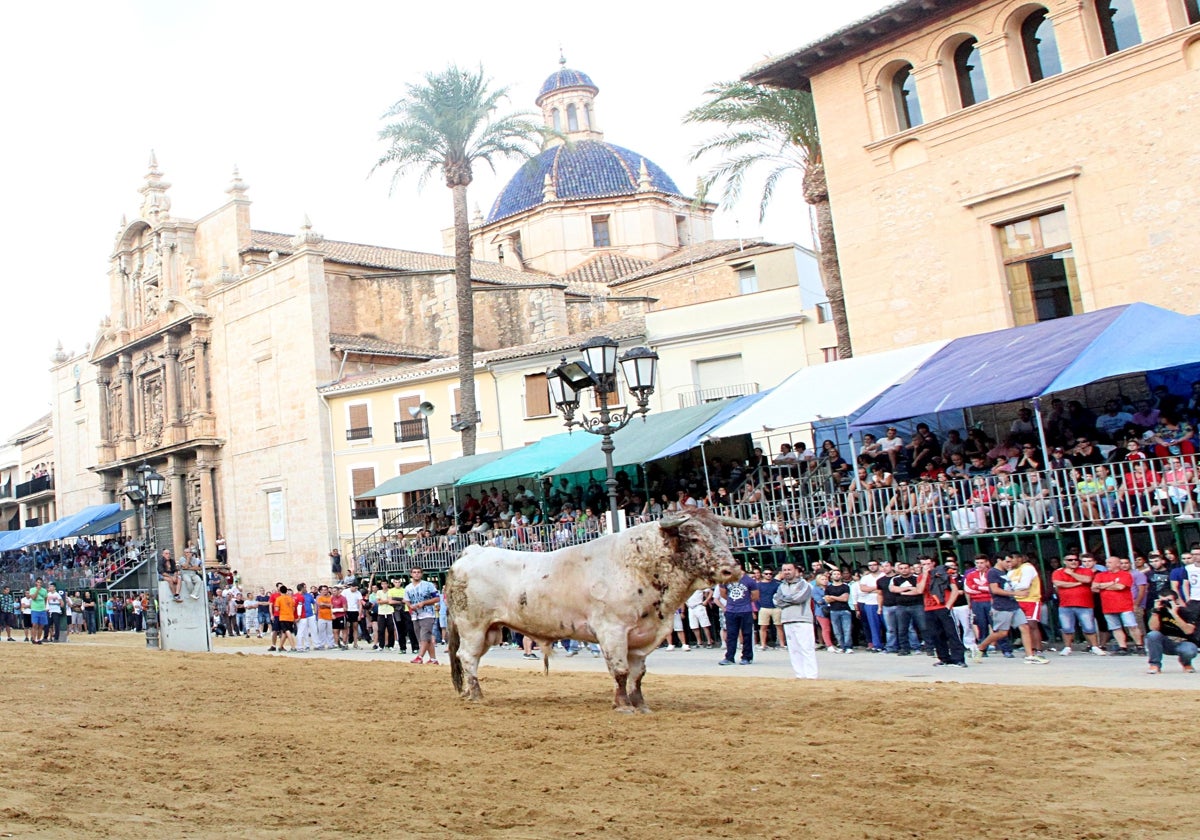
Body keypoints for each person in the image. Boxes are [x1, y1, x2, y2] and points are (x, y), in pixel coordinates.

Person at [976, 555, 1048, 664]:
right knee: (1002, 633)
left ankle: (1030, 655)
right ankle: (981, 647)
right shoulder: (993, 572)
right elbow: (995, 590)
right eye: (1007, 561)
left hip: (1013, 604)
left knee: (1025, 627)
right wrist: (1016, 593)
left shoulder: (1005, 573)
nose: (1009, 564)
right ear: (999, 560)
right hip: (1002, 606)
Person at [915, 556, 967, 667]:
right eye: (923, 564)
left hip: (943, 607)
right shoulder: (920, 577)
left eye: (928, 563)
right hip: (929, 608)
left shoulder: (943, 574)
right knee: (935, 634)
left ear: (933, 564)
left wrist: (949, 605)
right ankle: (943, 658)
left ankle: (958, 658)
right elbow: (919, 590)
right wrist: (925, 575)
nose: (926, 566)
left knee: (952, 633)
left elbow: (955, 590)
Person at [1051, 555, 1105, 655]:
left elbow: (1087, 580)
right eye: (1070, 560)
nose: (1073, 561)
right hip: (1065, 604)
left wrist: (1071, 573)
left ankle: (1094, 647)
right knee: (1066, 628)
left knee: (1089, 627)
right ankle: (1067, 647)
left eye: (1076, 560)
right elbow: (1058, 583)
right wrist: (1078, 583)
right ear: (1064, 561)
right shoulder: (1058, 572)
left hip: (1085, 604)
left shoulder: (1086, 570)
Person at [774, 562, 817, 679]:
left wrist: (784, 599)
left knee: (806, 648)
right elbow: (776, 601)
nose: (787, 572)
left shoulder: (804, 585)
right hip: (787, 619)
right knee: (793, 650)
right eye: (784, 570)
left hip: (802, 620)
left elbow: (798, 598)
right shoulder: (781, 586)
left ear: (795, 571)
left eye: (789, 569)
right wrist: (787, 599)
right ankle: (800, 674)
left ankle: (811, 675)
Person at [1093, 557, 1143, 655]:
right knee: (1115, 628)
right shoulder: (1100, 575)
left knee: (1132, 626)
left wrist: (1102, 586)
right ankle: (1122, 647)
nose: (1107, 564)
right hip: (1108, 606)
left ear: (1117, 564)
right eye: (1106, 562)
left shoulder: (1125, 574)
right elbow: (1094, 588)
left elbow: (1120, 587)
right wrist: (1111, 583)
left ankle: (1139, 646)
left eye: (1110, 562)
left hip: (1124, 606)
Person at [1145, 591, 1199, 674]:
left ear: (1176, 601)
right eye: (1162, 601)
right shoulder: (1157, 612)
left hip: (1183, 642)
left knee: (1190, 650)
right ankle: (1155, 665)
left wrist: (1174, 614)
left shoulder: (1186, 612)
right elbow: (1153, 628)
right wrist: (1155, 613)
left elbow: (1188, 631)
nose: (1165, 604)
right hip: (1165, 642)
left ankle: (1186, 663)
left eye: (1169, 601)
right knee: (1152, 635)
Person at [718, 564, 758, 665]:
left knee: (747, 634)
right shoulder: (726, 580)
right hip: (731, 611)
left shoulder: (749, 581)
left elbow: (755, 596)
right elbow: (723, 593)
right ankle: (729, 657)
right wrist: (733, 602)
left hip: (745, 611)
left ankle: (747, 657)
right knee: (731, 635)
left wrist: (744, 602)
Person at [889, 561, 926, 656]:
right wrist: (909, 589)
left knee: (924, 627)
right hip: (901, 606)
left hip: (917, 605)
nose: (903, 570)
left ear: (910, 569)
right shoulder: (895, 579)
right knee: (902, 629)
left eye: (905, 568)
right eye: (901, 568)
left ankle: (930, 647)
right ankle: (904, 649)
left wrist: (901, 591)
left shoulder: (917, 578)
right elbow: (892, 589)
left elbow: (919, 591)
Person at [404, 568, 440, 665]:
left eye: (418, 572)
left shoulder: (429, 585)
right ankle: (433, 659)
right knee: (423, 637)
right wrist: (410, 606)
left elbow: (436, 598)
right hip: (415, 614)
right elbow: (406, 600)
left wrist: (424, 603)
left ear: (421, 574)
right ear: (411, 574)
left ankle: (420, 656)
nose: (416, 574)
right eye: (414, 572)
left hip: (427, 614)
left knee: (425, 635)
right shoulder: (408, 587)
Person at [756, 568, 784, 650]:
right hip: (764, 607)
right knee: (763, 627)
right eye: (766, 574)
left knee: (779, 626)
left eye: (770, 574)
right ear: (763, 574)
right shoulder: (758, 585)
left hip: (776, 607)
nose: (768, 575)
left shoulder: (776, 584)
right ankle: (763, 645)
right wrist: (759, 606)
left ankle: (782, 644)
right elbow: (756, 597)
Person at [274, 585, 297, 652]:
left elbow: (276, 609)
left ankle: (293, 647)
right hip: (290, 617)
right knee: (284, 632)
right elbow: (293, 608)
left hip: (283, 617)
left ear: (280, 591)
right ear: (286, 591)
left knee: (287, 631)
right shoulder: (291, 598)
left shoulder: (279, 599)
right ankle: (280, 647)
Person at [28, 578, 49, 645]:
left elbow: (45, 598)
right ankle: (34, 638)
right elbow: (33, 597)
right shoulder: (32, 589)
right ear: (36, 583)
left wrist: (44, 606)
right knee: (34, 624)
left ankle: (39, 639)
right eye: (38, 582)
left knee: (41, 625)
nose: (39, 584)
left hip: (42, 609)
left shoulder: (44, 590)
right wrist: (37, 590)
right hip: (35, 609)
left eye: (40, 582)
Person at [343, 583, 364, 649]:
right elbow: (343, 601)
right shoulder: (345, 592)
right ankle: (345, 644)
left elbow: (360, 604)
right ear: (351, 587)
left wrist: (359, 614)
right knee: (346, 628)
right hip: (347, 611)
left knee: (355, 628)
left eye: (357, 588)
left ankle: (355, 643)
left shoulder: (358, 593)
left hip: (355, 611)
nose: (356, 589)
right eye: (355, 588)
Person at [314, 585, 334, 650]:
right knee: (321, 632)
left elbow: (332, 605)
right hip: (321, 617)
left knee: (330, 632)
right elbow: (320, 605)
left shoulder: (331, 597)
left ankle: (330, 644)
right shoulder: (319, 598)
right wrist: (328, 605)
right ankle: (321, 644)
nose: (324, 591)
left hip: (329, 616)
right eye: (323, 590)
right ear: (320, 591)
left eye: (326, 590)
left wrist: (325, 604)